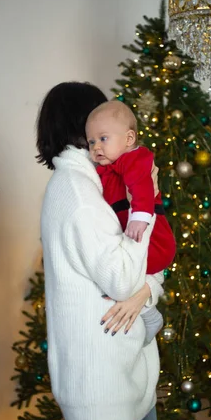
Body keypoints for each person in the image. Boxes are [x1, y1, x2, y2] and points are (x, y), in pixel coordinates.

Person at [36, 82, 163, 420]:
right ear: (82, 126)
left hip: (129, 369)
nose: (104, 131)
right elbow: (124, 274)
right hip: (101, 377)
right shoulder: (77, 192)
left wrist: (147, 292)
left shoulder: (103, 183)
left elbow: (148, 271)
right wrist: (145, 208)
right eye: (97, 124)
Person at [85, 100, 176, 345]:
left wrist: (140, 218)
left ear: (128, 139)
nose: (96, 147)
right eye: (91, 142)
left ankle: (149, 315)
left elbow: (142, 188)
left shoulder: (134, 159)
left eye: (103, 139)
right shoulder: (106, 168)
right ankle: (147, 315)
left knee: (128, 277)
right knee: (124, 274)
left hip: (152, 238)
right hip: (136, 237)